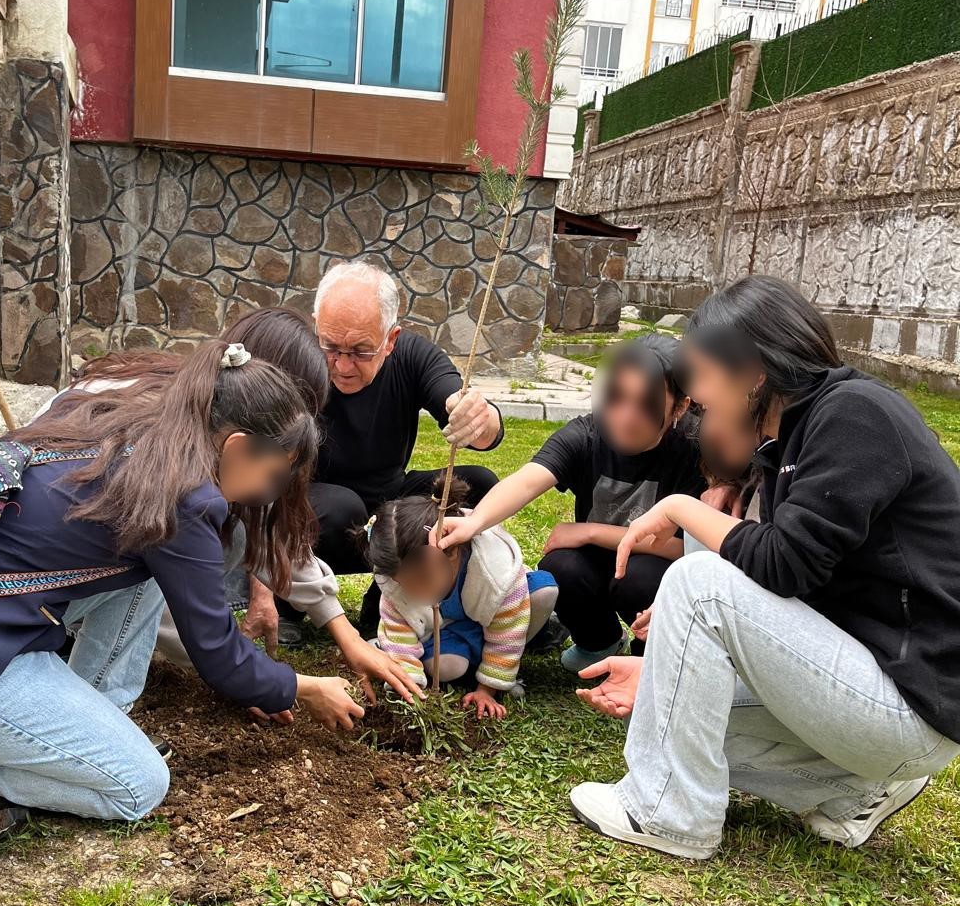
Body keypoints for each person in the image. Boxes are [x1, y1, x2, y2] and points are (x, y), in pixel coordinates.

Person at [0, 339, 366, 835]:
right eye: (273, 476)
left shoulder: (146, 422)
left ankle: (87, 724)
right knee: (138, 787)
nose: (266, 493)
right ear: (238, 446)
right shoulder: (186, 498)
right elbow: (218, 653)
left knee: (150, 571)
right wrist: (302, 686)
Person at [568, 276, 960, 860]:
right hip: (878, 692)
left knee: (699, 583)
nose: (696, 396)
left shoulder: (855, 413)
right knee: (669, 719)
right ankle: (860, 790)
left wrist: (678, 508)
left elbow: (783, 567)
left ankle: (668, 814)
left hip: (911, 700)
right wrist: (665, 674)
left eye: (701, 376)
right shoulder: (794, 439)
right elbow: (793, 598)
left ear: (752, 372)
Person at [46, 308, 419, 706]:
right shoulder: (171, 471)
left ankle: (92, 688)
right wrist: (262, 680)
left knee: (232, 535)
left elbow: (270, 525)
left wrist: (343, 634)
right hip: (38, 594)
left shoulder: (205, 424)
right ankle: (96, 687)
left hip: (40, 584)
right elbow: (208, 643)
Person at [438, 334, 704, 673]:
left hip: (654, 566)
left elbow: (689, 549)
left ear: (680, 406)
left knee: (637, 578)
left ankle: (650, 657)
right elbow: (527, 480)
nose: (625, 416)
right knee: (561, 565)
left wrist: (590, 531)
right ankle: (600, 641)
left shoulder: (697, 451)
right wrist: (474, 522)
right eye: (618, 397)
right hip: (599, 563)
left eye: (646, 405)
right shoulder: (588, 434)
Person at [293, 258, 505, 638]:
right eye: (331, 346)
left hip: (387, 506)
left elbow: (462, 406)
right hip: (318, 507)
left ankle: (392, 597)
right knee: (342, 506)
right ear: (316, 325)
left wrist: (477, 417)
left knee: (479, 484)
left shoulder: (411, 356)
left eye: (361, 351)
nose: (343, 365)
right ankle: (289, 601)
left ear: (390, 339)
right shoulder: (296, 359)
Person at [365, 479, 559, 719]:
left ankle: (516, 655)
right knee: (447, 667)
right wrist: (407, 682)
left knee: (543, 592)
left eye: (424, 579)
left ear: (452, 551)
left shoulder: (495, 574)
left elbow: (508, 631)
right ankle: (387, 647)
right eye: (404, 583)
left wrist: (488, 689)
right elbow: (398, 630)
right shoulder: (392, 579)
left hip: (500, 615)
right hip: (453, 630)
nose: (416, 592)